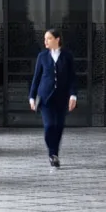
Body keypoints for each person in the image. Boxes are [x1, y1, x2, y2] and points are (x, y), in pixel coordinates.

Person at [28, 28, 77, 168]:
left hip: (62, 98)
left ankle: (55, 154)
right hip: (45, 98)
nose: (45, 41)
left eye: (48, 38)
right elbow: (36, 78)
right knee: (49, 126)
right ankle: (52, 153)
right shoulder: (42, 56)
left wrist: (73, 96)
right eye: (45, 39)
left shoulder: (67, 56)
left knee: (59, 126)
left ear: (57, 39)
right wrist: (32, 97)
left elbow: (72, 78)